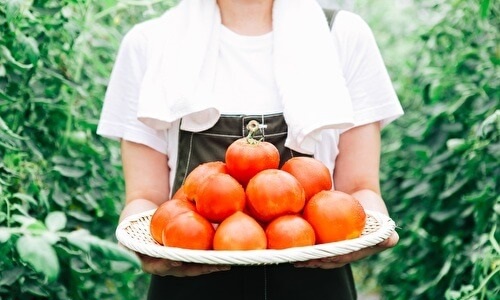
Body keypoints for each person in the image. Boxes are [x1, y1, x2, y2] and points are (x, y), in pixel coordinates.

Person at [97, 0, 403, 299]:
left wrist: (372, 226)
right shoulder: (150, 43)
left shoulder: (342, 35)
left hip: (316, 281)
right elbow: (144, 200)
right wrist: (136, 247)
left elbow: (360, 189)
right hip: (188, 278)